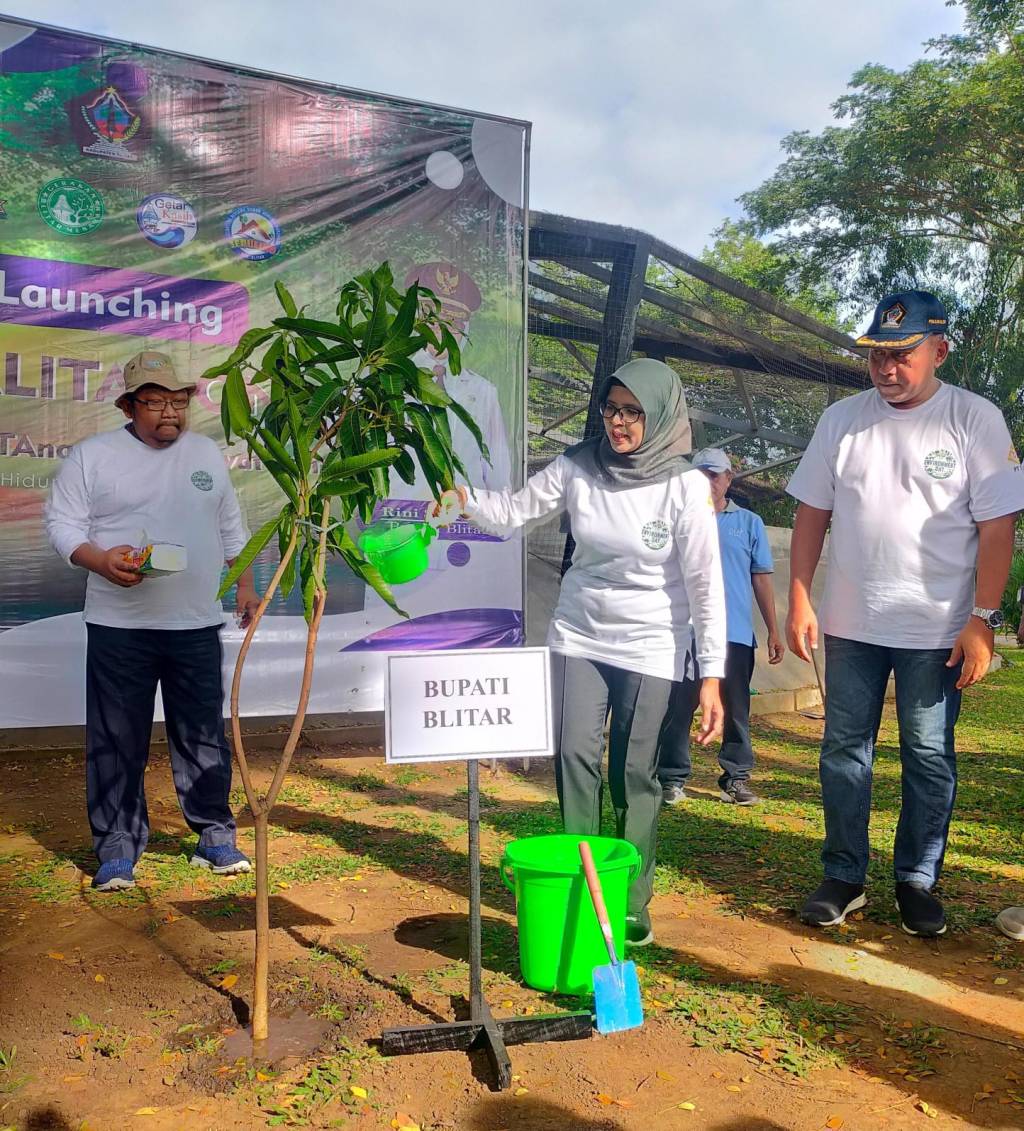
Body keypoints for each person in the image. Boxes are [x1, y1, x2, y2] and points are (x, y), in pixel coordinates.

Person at [438, 358, 727, 946]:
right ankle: (584, 881)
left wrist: (712, 675)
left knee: (632, 770)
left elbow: (704, 584)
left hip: (652, 643)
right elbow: (513, 514)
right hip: (580, 633)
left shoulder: (686, 486)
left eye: (633, 412)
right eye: (611, 409)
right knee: (574, 755)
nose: (618, 423)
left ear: (660, 415)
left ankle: (631, 897)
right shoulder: (578, 465)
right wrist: (465, 497)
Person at [785, 291, 1022, 937]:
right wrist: (800, 594)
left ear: (938, 351)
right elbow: (812, 513)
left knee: (928, 754)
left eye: (901, 356)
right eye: (876, 357)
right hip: (851, 622)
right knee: (843, 751)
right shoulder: (842, 420)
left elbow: (997, 528)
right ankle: (843, 876)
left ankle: (917, 879)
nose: (886, 369)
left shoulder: (974, 419)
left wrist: (983, 618)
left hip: (937, 628)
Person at [45, 350, 260, 891]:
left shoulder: (205, 452)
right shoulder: (94, 456)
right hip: (120, 627)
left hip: (195, 623)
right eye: (155, 402)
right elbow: (63, 525)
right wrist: (100, 560)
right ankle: (117, 848)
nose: (170, 412)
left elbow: (231, 525)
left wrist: (245, 585)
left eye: (178, 401)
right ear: (128, 406)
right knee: (117, 740)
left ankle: (214, 836)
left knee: (203, 734)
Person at [657, 448, 784, 807]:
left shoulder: (749, 523)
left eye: (714, 475)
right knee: (679, 707)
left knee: (736, 709)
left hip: (735, 634)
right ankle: (671, 778)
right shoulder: (675, 519)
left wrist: (773, 630)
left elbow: (761, 579)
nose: (707, 482)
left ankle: (736, 778)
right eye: (700, 475)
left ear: (729, 479)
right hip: (685, 633)